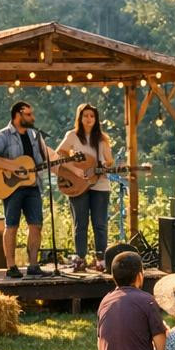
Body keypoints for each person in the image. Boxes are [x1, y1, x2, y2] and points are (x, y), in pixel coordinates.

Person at [0, 101, 56, 279]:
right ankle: (11, 266)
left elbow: (39, 162)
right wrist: (12, 166)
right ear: (18, 115)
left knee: (36, 225)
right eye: (29, 114)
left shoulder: (34, 135)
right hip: (12, 187)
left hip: (33, 187)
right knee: (12, 225)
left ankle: (33, 265)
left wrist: (57, 162)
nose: (33, 118)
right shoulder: (3, 135)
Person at [56, 102, 114, 271]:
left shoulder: (102, 139)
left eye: (92, 116)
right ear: (79, 118)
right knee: (80, 223)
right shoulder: (72, 136)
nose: (89, 119)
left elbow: (109, 161)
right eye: (86, 116)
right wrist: (75, 169)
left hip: (100, 184)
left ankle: (101, 260)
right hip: (77, 183)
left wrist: (104, 166)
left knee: (100, 223)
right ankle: (80, 258)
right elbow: (60, 154)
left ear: (96, 119)